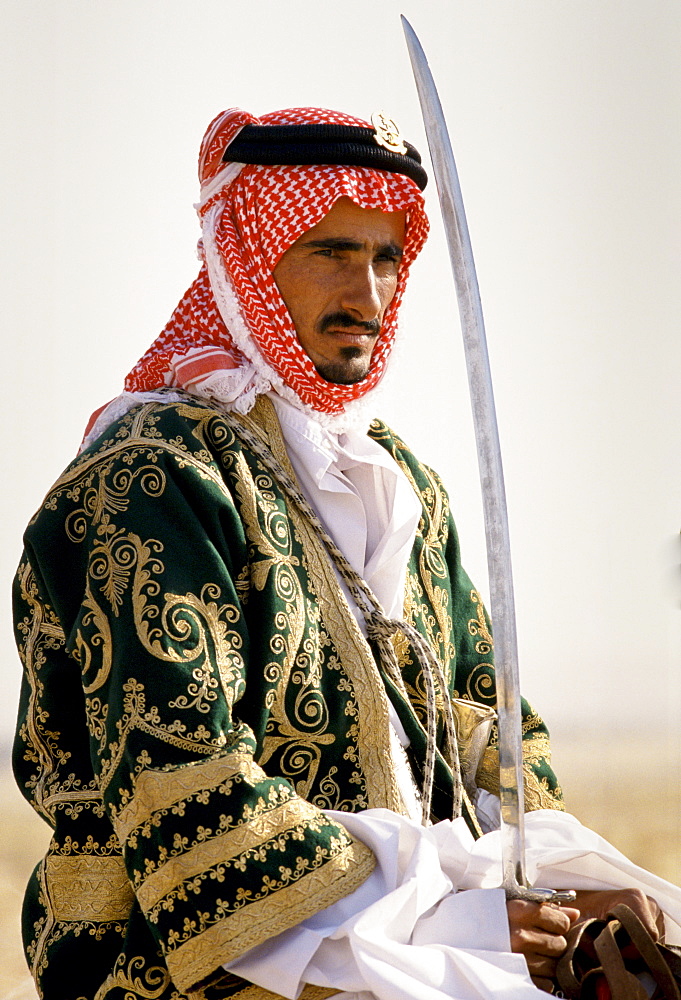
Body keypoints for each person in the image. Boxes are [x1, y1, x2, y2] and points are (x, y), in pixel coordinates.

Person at [12, 105, 681, 1000]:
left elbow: (487, 734)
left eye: (386, 258)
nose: (367, 297)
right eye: (331, 251)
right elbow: (191, 801)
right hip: (186, 966)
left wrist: (566, 885)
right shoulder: (153, 483)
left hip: (431, 944)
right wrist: (467, 922)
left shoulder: (399, 479)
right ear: (245, 254)